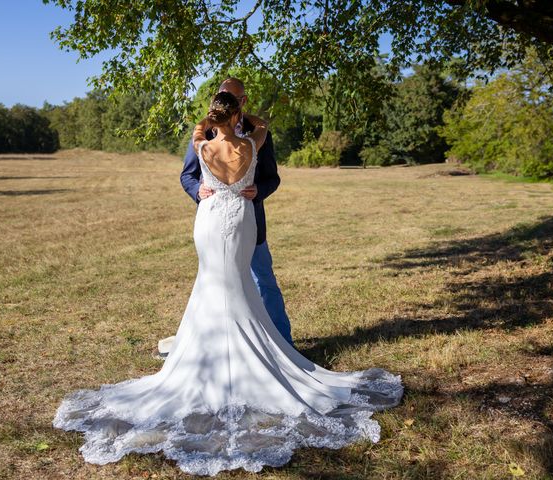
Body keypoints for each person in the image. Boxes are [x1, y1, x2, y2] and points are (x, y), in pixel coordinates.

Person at [52, 90, 403, 476]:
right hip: (238, 216)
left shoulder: (202, 145)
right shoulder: (253, 141)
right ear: (238, 109)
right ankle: (246, 353)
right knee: (229, 285)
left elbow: (203, 135)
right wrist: (239, 115)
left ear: (213, 114)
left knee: (224, 286)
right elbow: (256, 132)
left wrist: (215, 119)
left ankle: (236, 350)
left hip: (211, 219)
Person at [179, 77, 293, 347]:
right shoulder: (210, 137)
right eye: (222, 95)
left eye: (232, 97)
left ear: (243, 102)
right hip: (215, 221)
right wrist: (198, 191)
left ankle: (283, 343)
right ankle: (224, 344)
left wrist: (259, 189)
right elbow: (187, 176)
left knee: (263, 280)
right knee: (215, 284)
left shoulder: (211, 135)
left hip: (250, 222)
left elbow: (272, 178)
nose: (226, 100)